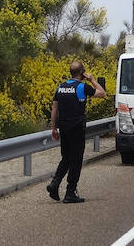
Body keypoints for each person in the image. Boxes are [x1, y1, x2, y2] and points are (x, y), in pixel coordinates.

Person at [47, 61, 106, 203]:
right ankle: (70, 192)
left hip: (64, 128)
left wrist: (54, 128)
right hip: (77, 128)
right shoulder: (82, 86)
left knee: (66, 157)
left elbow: (55, 109)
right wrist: (92, 80)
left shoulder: (60, 87)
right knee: (76, 160)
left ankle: (54, 184)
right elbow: (102, 93)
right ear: (82, 73)